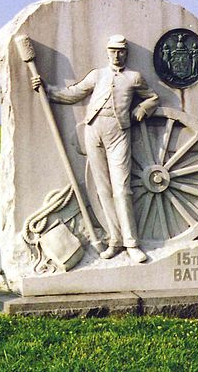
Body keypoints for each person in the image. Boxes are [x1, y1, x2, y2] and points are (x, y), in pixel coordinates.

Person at [31, 35, 159, 263]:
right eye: (113, 51)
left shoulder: (133, 78)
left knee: (122, 189)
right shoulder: (97, 75)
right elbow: (74, 93)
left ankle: (132, 243)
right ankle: (115, 240)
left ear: (126, 53)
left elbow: (153, 98)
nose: (117, 55)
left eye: (121, 51)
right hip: (93, 131)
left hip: (119, 133)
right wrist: (46, 90)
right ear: (107, 52)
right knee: (102, 190)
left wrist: (143, 108)